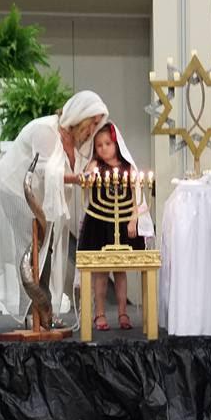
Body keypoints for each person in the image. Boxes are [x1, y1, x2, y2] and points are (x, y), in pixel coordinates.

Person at [0, 89, 109, 323]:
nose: (93, 130)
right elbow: (45, 172)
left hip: (41, 197)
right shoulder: (46, 130)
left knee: (47, 247)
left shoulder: (78, 142)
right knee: (33, 247)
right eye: (92, 123)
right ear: (80, 117)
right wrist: (77, 178)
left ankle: (44, 312)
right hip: (15, 189)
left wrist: (88, 171)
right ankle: (34, 314)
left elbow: (81, 167)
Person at [77, 122, 154, 331]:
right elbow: (86, 179)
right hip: (100, 223)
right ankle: (99, 313)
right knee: (100, 272)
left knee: (121, 270)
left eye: (107, 143)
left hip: (123, 224)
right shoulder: (96, 167)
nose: (103, 148)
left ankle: (123, 312)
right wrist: (90, 168)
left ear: (116, 143)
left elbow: (136, 198)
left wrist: (133, 219)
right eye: (99, 145)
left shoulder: (129, 168)